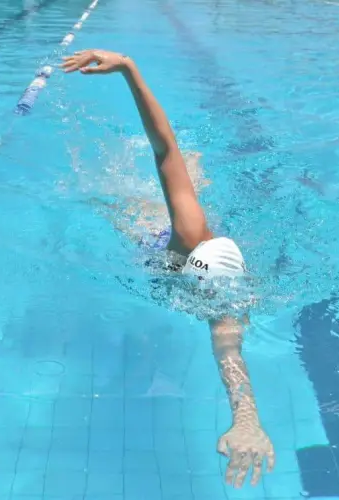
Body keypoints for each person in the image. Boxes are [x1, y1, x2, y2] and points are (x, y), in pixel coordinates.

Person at [62, 49, 275, 488]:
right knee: (124, 205)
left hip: (188, 248)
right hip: (153, 234)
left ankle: (194, 178)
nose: (219, 305)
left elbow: (231, 356)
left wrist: (248, 420)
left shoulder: (228, 298)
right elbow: (164, 149)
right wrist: (128, 68)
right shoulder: (186, 236)